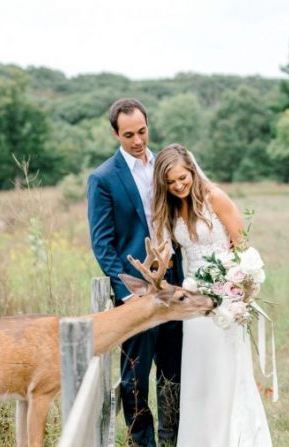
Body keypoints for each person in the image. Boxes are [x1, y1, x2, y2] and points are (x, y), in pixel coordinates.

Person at [151, 144, 272, 446]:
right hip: (193, 304)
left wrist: (235, 284)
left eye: (183, 178)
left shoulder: (213, 197)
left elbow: (241, 244)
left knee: (226, 373)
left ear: (192, 170)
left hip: (226, 299)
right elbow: (164, 252)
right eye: (171, 182)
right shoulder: (169, 209)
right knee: (200, 375)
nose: (179, 186)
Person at [87, 98, 185, 446]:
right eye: (129, 134)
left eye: (142, 131)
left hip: (174, 284)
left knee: (174, 372)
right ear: (115, 133)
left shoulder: (164, 165)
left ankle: (171, 439)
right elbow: (102, 244)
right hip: (136, 292)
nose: (138, 140)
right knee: (135, 379)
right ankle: (142, 443)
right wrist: (129, 295)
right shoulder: (102, 179)